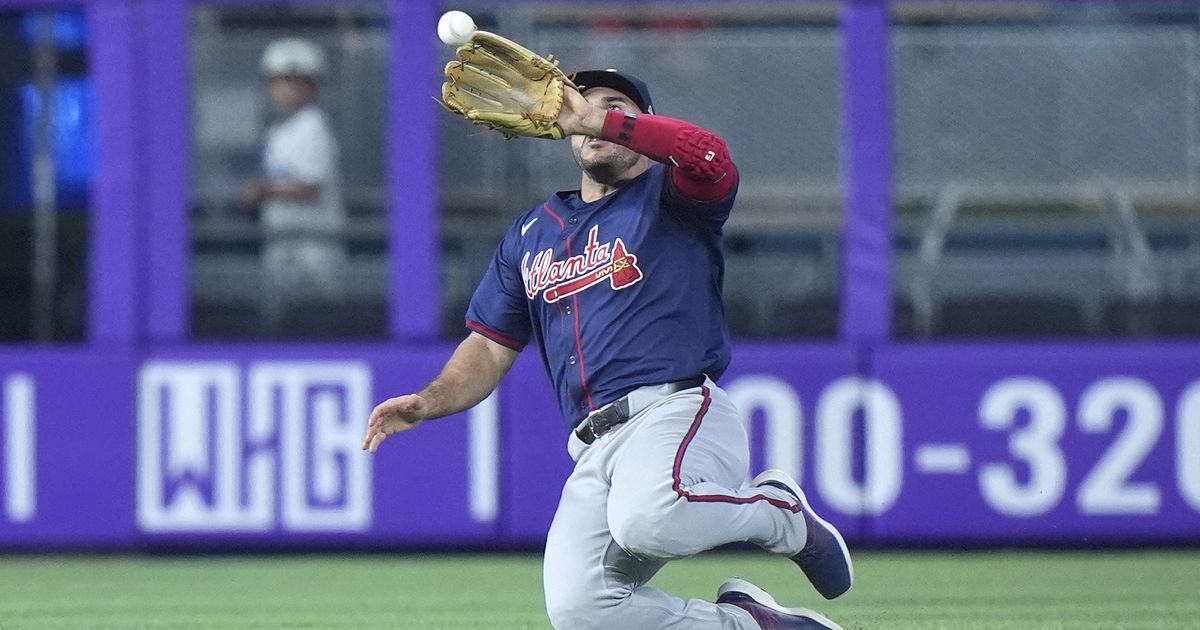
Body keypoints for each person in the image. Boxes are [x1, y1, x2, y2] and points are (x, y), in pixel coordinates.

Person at [363, 69, 852, 629]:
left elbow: (710, 155)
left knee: (649, 520)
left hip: (677, 412)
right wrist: (428, 401)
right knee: (581, 609)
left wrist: (598, 120)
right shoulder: (531, 234)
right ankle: (752, 625)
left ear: (640, 125)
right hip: (594, 447)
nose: (589, 115)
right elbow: (490, 347)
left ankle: (781, 515)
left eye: (613, 106)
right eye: (579, 105)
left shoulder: (673, 196)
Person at [241, 38, 346, 331]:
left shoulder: (314, 126)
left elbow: (310, 187)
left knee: (317, 321)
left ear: (311, 85)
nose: (285, 89)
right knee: (279, 319)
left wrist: (262, 190)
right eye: (278, 81)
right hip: (282, 240)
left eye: (294, 80)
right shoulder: (279, 131)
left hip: (314, 245)